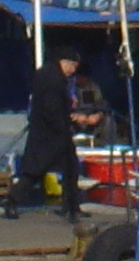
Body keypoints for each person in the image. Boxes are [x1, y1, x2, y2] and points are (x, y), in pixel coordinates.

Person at [7, 47, 83, 221]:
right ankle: (12, 200)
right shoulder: (53, 79)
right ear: (65, 63)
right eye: (73, 67)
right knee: (36, 171)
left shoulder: (47, 74)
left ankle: (71, 207)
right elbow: (51, 107)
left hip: (50, 131)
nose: (73, 72)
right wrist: (66, 123)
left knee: (69, 168)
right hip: (51, 133)